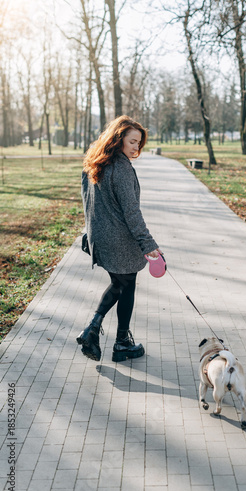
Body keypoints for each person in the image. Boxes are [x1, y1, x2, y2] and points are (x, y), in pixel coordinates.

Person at [77, 115, 161, 362]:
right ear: (118, 137)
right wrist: (148, 244)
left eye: (139, 143)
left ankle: (121, 341)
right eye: (133, 141)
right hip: (120, 240)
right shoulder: (121, 168)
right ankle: (94, 329)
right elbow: (132, 212)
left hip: (102, 237)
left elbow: (87, 203)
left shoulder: (95, 162)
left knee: (125, 284)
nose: (136, 147)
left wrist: (90, 233)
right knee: (121, 284)